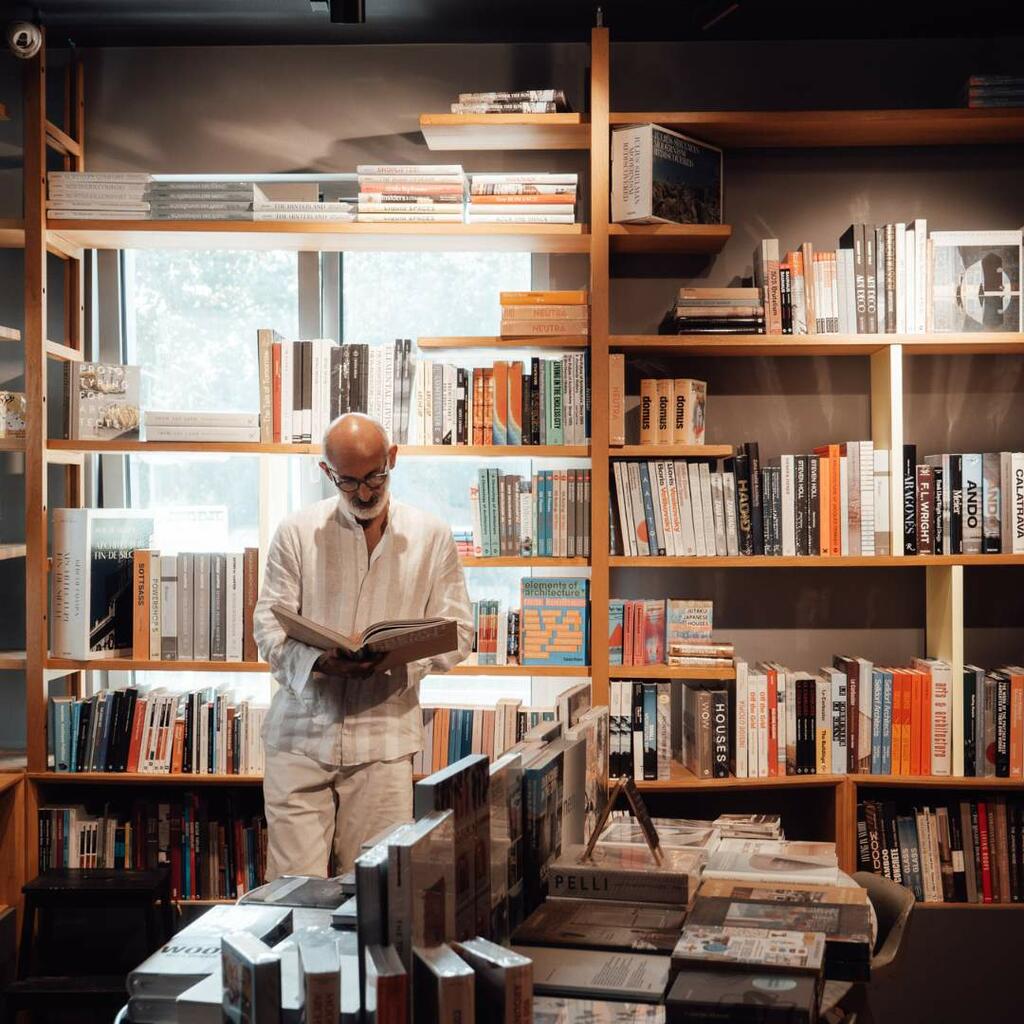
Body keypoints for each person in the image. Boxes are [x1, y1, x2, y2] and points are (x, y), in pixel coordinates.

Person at [253, 412, 473, 878]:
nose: (366, 493)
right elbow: (268, 631)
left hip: (384, 742)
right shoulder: (296, 532)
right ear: (326, 473)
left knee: (377, 893)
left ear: (392, 459)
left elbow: (461, 632)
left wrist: (397, 661)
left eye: (375, 476)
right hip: (299, 736)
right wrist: (318, 662)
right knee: (292, 893)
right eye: (348, 482)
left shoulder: (430, 535)